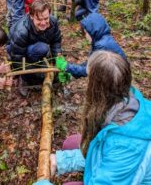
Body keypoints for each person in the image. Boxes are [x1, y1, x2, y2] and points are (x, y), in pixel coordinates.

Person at [33, 51, 151, 185]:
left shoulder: (126, 147)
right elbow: (101, 150)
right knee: (71, 143)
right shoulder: (125, 100)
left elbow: (115, 154)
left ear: (97, 88)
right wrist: (61, 161)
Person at [7, 0, 62, 97]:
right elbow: (17, 56)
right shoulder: (22, 31)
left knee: (42, 49)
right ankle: (23, 80)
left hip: (35, 46)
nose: (43, 22)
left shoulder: (53, 22)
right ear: (31, 16)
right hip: (16, 50)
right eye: (39, 19)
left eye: (46, 18)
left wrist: (57, 59)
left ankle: (37, 59)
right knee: (42, 48)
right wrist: (24, 74)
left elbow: (56, 41)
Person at [56, 13, 126, 79]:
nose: (85, 36)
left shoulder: (102, 46)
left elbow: (90, 69)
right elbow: (90, 62)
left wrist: (67, 67)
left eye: (86, 32)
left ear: (92, 30)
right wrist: (72, 73)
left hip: (116, 78)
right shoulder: (101, 40)